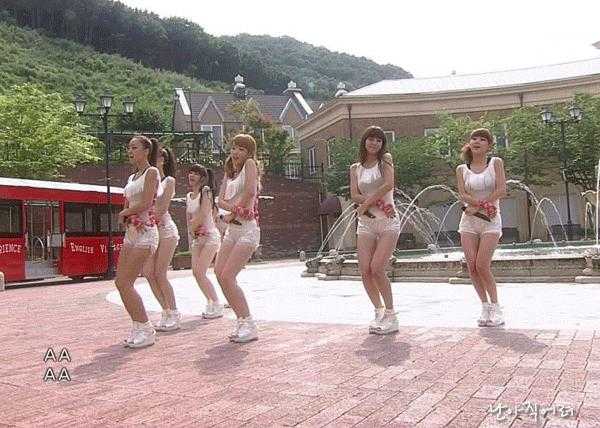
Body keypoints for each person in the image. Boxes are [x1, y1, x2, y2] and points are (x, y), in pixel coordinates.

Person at [350, 126, 401, 335]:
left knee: (377, 268)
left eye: (379, 140)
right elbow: (354, 194)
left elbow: (388, 184)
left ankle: (391, 314)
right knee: (365, 270)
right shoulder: (355, 168)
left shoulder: (385, 160)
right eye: (371, 139)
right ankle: (379, 311)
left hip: (388, 221)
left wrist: (366, 203)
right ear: (364, 141)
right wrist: (368, 204)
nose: (374, 143)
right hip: (366, 223)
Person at [456, 128, 507, 327]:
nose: (477, 141)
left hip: (491, 219)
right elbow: (462, 194)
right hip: (469, 220)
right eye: (474, 138)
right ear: (469, 143)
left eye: (482, 139)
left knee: (482, 264)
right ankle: (484, 306)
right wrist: (478, 206)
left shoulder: (496, 163)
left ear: (489, 145)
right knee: (472, 266)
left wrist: (481, 206)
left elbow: (501, 189)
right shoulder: (462, 168)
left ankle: (496, 307)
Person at [215, 134, 261, 343]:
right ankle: (241, 320)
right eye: (234, 148)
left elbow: (250, 192)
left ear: (249, 153)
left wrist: (232, 211)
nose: (236, 152)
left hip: (247, 230)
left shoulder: (250, 165)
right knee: (219, 273)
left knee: (227, 276)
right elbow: (220, 200)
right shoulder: (229, 172)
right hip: (231, 230)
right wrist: (233, 210)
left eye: (242, 149)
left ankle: (249, 323)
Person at [116, 135, 160, 348]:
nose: (130, 151)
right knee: (120, 282)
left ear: (146, 150)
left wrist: (125, 212)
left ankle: (146, 328)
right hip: (131, 232)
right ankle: (137, 325)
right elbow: (128, 201)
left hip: (146, 232)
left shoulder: (152, 172)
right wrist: (126, 214)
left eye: (134, 147)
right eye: (129, 148)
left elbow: (146, 202)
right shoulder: (132, 177)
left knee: (126, 282)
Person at [142, 144, 181, 332]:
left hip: (165, 230)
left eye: (156, 157)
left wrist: (144, 220)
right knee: (148, 272)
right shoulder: (147, 179)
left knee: (160, 273)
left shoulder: (169, 181)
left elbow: (161, 208)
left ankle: (174, 312)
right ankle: (165, 310)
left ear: (163, 160)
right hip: (150, 229)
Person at [186, 164, 224, 319]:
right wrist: (192, 233)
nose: (191, 175)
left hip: (210, 237)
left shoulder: (206, 191)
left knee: (200, 271)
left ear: (202, 178)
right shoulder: (189, 196)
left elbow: (203, 213)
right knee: (196, 273)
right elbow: (189, 217)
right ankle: (210, 301)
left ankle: (216, 303)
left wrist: (192, 228)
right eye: (190, 172)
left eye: (195, 173)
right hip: (198, 238)